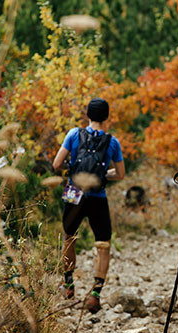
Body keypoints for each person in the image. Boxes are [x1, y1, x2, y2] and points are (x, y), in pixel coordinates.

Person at [52, 98, 125, 313]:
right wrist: (102, 175)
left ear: (88, 115)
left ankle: (68, 284)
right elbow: (120, 174)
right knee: (103, 243)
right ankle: (95, 293)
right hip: (98, 195)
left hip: (74, 191)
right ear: (106, 117)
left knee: (69, 236)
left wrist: (73, 170)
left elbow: (56, 164)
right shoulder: (113, 142)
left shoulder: (74, 134)